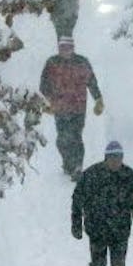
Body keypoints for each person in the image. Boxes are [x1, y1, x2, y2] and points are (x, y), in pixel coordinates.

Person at [72, 141, 133, 266]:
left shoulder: (129, 176)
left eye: (119, 158)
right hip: (97, 229)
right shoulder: (91, 175)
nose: (116, 162)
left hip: (120, 230)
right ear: (106, 158)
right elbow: (77, 199)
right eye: (112, 158)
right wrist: (76, 222)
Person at [40, 36, 103, 178]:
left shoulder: (81, 62)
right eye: (62, 47)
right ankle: (68, 164)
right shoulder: (52, 63)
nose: (65, 50)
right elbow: (44, 85)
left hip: (78, 107)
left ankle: (77, 167)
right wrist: (48, 101)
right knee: (62, 139)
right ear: (59, 48)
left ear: (73, 48)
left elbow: (91, 82)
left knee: (76, 137)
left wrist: (98, 99)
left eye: (68, 47)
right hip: (60, 108)